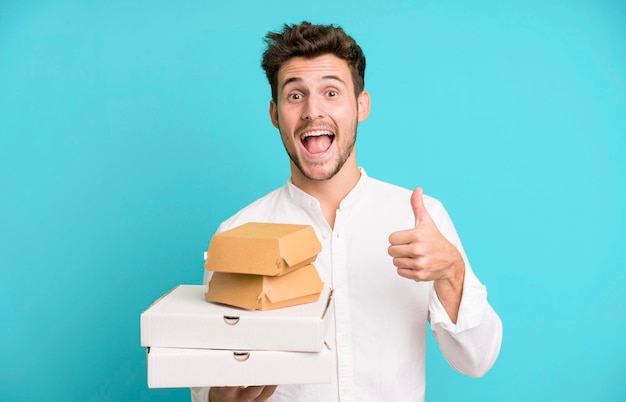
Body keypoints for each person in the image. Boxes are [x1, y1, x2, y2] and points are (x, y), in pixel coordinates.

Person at [192, 21, 502, 402]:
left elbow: (478, 360)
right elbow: (207, 383)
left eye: (331, 92)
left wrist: (453, 273)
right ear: (275, 114)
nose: (312, 110)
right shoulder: (235, 235)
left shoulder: (420, 220)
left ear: (361, 105)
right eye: (294, 96)